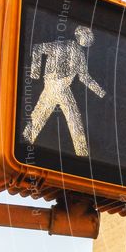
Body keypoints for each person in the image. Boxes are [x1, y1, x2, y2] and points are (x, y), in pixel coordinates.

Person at [22, 25, 106, 156]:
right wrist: (35, 72)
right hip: (53, 85)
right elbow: (38, 48)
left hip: (63, 87)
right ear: (80, 36)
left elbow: (84, 77)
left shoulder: (80, 54)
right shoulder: (61, 45)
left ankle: (82, 154)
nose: (88, 40)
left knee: (55, 116)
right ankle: (82, 154)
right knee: (67, 117)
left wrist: (100, 92)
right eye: (87, 37)